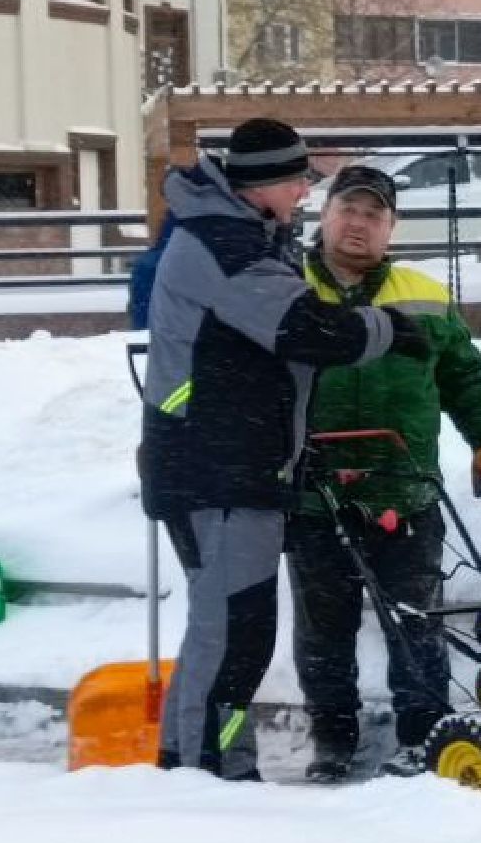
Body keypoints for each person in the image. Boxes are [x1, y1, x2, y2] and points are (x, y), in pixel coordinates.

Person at [139, 118, 429, 781]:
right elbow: (303, 328)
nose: (305, 192)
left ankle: (192, 765)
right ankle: (207, 774)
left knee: (222, 627)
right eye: (299, 179)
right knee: (234, 634)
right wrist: (389, 329)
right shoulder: (224, 244)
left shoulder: (238, 235)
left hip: (227, 465)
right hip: (217, 470)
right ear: (267, 181)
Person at [289, 165, 481, 783]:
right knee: (323, 632)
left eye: (373, 215)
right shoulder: (283, 288)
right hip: (314, 495)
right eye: (348, 210)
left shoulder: (425, 294)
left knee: (417, 625)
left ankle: (423, 739)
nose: (358, 224)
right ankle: (332, 741)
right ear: (324, 215)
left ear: (390, 229)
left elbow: (463, 376)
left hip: (405, 490)